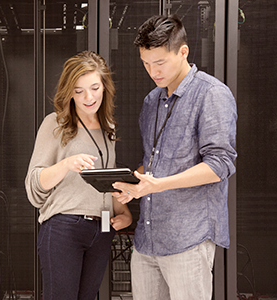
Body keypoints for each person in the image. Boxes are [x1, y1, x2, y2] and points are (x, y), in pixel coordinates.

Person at [111, 15, 237, 300]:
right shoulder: (151, 101)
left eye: (160, 63)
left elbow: (220, 164)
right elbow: (154, 163)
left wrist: (159, 184)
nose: (152, 71)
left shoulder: (212, 94)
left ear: (183, 52)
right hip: (146, 242)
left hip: (189, 239)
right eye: (146, 63)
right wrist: (133, 186)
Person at [25, 50, 132, 300]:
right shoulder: (55, 123)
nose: (88, 97)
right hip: (64, 228)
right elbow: (33, 184)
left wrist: (123, 213)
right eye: (78, 90)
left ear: (104, 86)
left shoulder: (109, 128)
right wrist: (66, 164)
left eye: (94, 87)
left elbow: (106, 183)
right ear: (69, 92)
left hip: (102, 229)